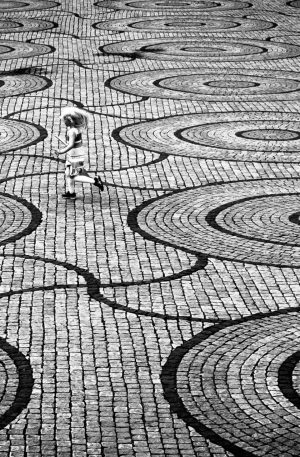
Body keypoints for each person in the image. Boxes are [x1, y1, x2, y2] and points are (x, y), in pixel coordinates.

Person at [55, 107, 104, 199]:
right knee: (68, 173)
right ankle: (71, 193)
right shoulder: (76, 129)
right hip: (74, 154)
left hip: (75, 156)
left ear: (70, 121)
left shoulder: (72, 132)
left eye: (65, 120)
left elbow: (71, 145)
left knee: (74, 176)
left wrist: (61, 151)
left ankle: (95, 180)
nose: (63, 122)